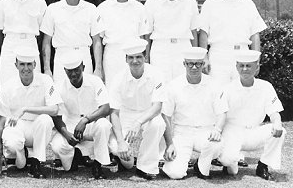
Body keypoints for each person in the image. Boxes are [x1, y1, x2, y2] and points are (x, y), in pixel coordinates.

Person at [217, 50, 286, 180]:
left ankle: (263, 165)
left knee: (280, 130)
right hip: (233, 132)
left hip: (254, 132)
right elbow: (221, 115)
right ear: (236, 67)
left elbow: (274, 112)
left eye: (249, 65)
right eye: (241, 65)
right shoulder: (228, 88)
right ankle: (230, 163)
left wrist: (277, 122)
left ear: (257, 67)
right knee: (228, 162)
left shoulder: (266, 86)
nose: (245, 69)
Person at [0, 49, 63, 178]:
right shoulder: (8, 86)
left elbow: (54, 109)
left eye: (29, 64)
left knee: (45, 119)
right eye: (22, 64)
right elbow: (1, 120)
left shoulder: (45, 80)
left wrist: (26, 109)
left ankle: (37, 162)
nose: (26, 68)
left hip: (38, 128)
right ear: (16, 66)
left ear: (35, 65)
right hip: (17, 126)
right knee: (12, 143)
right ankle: (21, 157)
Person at [161, 47, 226, 180]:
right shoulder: (173, 86)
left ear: (203, 64)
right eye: (190, 63)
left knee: (215, 145)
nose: (194, 67)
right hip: (182, 133)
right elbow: (165, 116)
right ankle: (180, 162)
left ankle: (201, 166)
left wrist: (217, 130)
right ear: (184, 64)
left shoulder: (214, 84)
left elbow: (222, 112)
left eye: (198, 63)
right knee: (175, 174)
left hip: (206, 132)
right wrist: (170, 144)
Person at [109, 39, 167, 180]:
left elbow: (157, 106)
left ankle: (145, 167)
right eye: (131, 57)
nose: (135, 61)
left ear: (145, 57)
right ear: (126, 59)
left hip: (148, 113)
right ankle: (126, 163)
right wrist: (121, 142)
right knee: (118, 148)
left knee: (158, 124)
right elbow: (114, 113)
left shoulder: (156, 74)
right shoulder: (118, 78)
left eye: (139, 57)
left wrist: (139, 122)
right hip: (126, 114)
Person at [198, 0, 266, 84]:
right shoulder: (210, 4)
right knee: (218, 95)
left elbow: (255, 35)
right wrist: (204, 57)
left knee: (241, 95)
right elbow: (203, 33)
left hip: (243, 57)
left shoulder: (248, 5)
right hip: (218, 56)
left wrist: (256, 59)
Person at [50, 54, 112, 179]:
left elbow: (106, 108)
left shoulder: (95, 81)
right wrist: (66, 134)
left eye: (77, 70)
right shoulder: (59, 86)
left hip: (91, 123)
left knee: (103, 125)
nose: (73, 74)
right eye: (70, 71)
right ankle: (74, 157)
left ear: (83, 67)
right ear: (65, 71)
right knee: (57, 145)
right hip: (70, 125)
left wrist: (85, 120)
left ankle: (98, 164)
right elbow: (56, 115)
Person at [41, 0, 103, 86]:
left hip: (83, 56)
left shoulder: (91, 9)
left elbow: (97, 41)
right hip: (61, 58)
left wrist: (98, 68)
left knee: (87, 93)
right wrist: (47, 69)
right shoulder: (53, 9)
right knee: (61, 95)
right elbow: (46, 41)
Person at [96, 0, 149, 89]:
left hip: (134, 55)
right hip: (112, 55)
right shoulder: (103, 8)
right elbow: (98, 40)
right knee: (113, 90)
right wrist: (98, 67)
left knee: (135, 89)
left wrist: (145, 60)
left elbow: (144, 37)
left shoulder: (139, 8)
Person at [144, 0, 199, 82]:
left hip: (183, 47)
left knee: (183, 85)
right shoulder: (152, 3)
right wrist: (146, 57)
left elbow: (193, 31)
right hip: (161, 49)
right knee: (160, 85)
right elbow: (147, 34)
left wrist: (196, 55)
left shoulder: (190, 1)